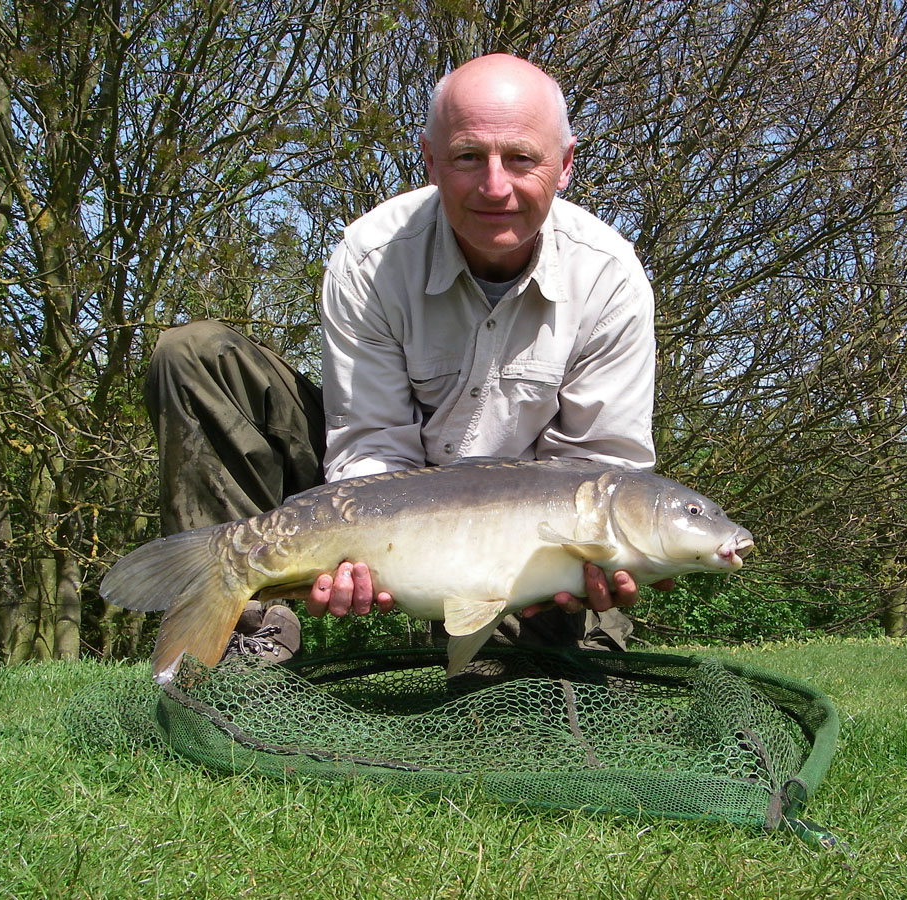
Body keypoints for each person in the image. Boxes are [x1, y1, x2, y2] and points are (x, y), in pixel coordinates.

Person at [145, 54, 663, 664]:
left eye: (521, 158)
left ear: (565, 164)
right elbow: (370, 440)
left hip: (527, 537)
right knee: (196, 356)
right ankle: (243, 632)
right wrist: (361, 553)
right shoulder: (371, 256)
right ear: (431, 160)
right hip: (375, 499)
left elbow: (601, 470)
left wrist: (594, 563)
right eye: (469, 156)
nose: (495, 185)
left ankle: (519, 643)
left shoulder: (610, 277)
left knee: (541, 699)